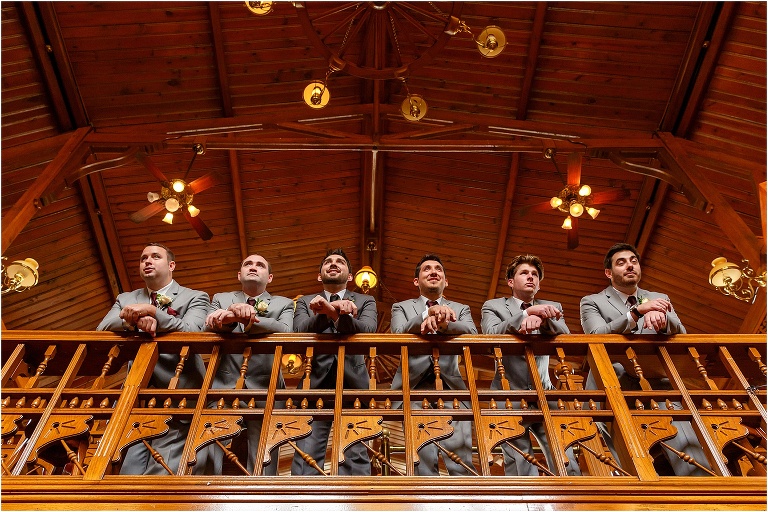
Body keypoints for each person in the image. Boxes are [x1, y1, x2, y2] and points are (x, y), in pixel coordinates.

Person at [580, 242, 710, 476]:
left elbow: (681, 333)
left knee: (685, 443)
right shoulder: (592, 301)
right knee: (630, 456)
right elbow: (595, 335)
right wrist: (636, 313)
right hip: (613, 384)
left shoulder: (659, 297)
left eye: (633, 261)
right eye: (621, 262)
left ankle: (704, 495)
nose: (629, 265)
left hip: (657, 381)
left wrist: (662, 317)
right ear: (609, 273)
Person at [97, 242, 210, 475]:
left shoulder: (195, 296)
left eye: (155, 257)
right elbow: (103, 328)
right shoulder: (126, 297)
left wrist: (153, 313)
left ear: (171, 265)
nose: (147, 261)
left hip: (181, 391)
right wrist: (135, 320)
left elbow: (192, 330)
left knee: (164, 468)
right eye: (143, 258)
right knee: (128, 466)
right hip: (137, 392)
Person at [204, 254, 294, 475]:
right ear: (239, 274)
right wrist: (228, 318)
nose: (253, 267)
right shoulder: (221, 298)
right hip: (223, 383)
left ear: (269, 277)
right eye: (248, 264)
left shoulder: (284, 303)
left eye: (260, 265)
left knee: (265, 458)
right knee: (208, 450)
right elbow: (207, 326)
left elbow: (286, 330)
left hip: (267, 387)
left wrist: (248, 319)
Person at [481, 254, 571, 476]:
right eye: (524, 273)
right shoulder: (493, 306)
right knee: (520, 462)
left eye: (535, 275)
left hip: (546, 394)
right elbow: (490, 335)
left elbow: (566, 337)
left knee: (564, 456)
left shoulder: (552, 307)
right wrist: (526, 314)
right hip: (507, 395)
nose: (531, 277)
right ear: (511, 281)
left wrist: (542, 318)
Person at [290, 248, 377, 476]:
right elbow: (299, 330)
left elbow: (368, 331)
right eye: (328, 262)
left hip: (355, 386)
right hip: (314, 384)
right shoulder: (305, 301)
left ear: (350, 276)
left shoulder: (366, 300)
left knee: (355, 455)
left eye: (340, 262)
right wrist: (330, 311)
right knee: (306, 457)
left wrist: (336, 315)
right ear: (320, 275)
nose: (333, 264)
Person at [390, 254, 477, 476]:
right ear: (416, 281)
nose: (433, 272)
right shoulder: (400, 307)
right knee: (422, 466)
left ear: (446, 281)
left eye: (438, 269)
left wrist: (445, 325)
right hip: (413, 391)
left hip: (452, 390)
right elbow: (398, 333)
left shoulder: (461, 308)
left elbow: (473, 334)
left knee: (462, 464)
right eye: (426, 269)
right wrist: (426, 314)